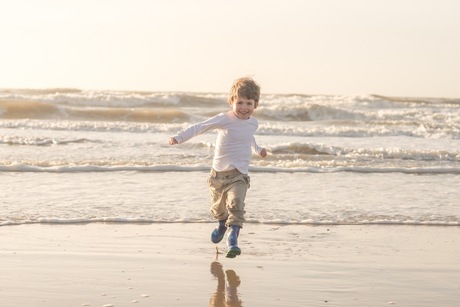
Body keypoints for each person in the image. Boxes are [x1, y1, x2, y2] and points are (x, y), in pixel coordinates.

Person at [169, 77, 267, 258]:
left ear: (256, 104)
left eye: (249, 103)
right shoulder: (224, 119)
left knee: (236, 205)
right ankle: (222, 224)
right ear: (231, 102)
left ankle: (232, 240)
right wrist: (179, 137)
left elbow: (248, 138)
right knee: (218, 209)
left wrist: (258, 149)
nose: (244, 107)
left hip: (239, 175)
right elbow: (200, 127)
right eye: (240, 102)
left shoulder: (253, 123)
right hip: (218, 176)